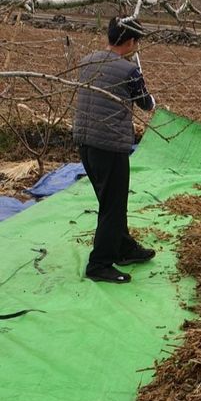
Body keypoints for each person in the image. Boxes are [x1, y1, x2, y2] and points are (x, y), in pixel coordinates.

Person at [73, 15, 157, 284]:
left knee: (110, 202)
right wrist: (143, 86)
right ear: (131, 41)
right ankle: (99, 264)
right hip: (109, 146)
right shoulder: (129, 71)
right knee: (113, 205)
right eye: (137, 41)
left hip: (85, 143)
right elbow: (147, 104)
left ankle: (124, 248)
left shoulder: (88, 61)